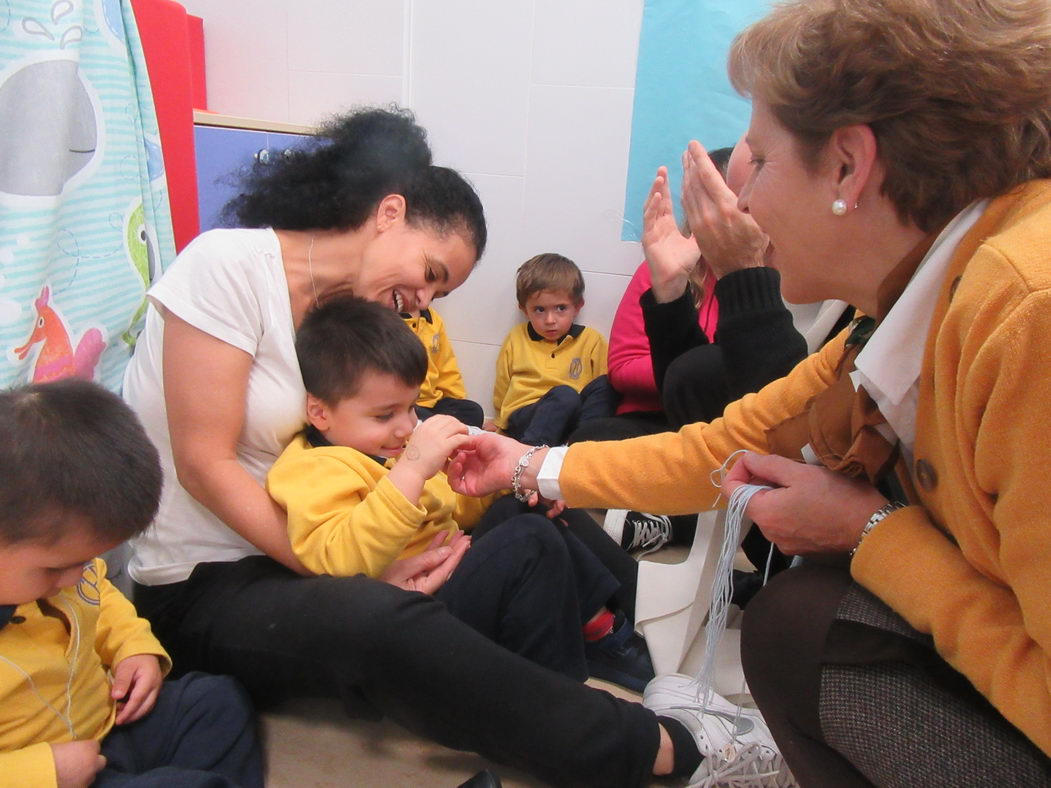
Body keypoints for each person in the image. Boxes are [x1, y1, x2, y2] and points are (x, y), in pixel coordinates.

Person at [449, 0, 1051, 783]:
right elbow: (727, 439)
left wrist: (874, 534)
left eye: (758, 162)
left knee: (802, 624)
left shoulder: (1024, 314)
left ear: (847, 166)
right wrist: (524, 465)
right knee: (802, 618)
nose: (744, 204)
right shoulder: (913, 300)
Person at [122, 105, 785, 787]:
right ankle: (664, 747)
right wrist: (353, 570)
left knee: (525, 524)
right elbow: (205, 466)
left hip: (320, 541)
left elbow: (360, 455)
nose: (422, 300)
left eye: (441, 290)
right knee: (382, 619)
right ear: (388, 213)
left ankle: (592, 686)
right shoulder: (228, 267)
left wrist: (482, 475)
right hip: (212, 581)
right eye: (432, 272)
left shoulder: (340, 316)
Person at [267, 295, 652, 689]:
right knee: (529, 540)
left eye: (411, 407)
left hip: (453, 571)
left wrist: (500, 485)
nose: (405, 427)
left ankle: (625, 619)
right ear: (319, 412)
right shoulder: (310, 468)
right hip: (416, 616)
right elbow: (340, 561)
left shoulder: (388, 447)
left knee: (530, 508)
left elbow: (455, 505)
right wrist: (413, 468)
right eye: (384, 415)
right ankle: (569, 682)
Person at [0, 379, 262, 788]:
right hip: (44, 774)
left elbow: (100, 597)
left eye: (86, 562)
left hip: (105, 726)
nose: (74, 577)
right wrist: (40, 773)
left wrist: (132, 648)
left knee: (214, 702)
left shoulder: (59, 565)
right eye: (55, 570)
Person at [492, 252, 616, 446]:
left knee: (607, 384)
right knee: (565, 395)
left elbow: (599, 393)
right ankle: (530, 454)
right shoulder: (517, 337)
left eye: (560, 308)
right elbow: (502, 383)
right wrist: (500, 423)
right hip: (526, 415)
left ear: (577, 306)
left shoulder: (591, 340)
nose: (550, 320)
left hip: (571, 417)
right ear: (524, 310)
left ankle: (581, 446)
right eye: (539, 310)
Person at [402, 304, 484, 428]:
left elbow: (446, 365)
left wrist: (458, 399)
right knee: (428, 422)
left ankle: (436, 428)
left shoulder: (434, 320)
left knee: (473, 411)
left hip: (433, 402)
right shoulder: (389, 319)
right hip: (407, 404)